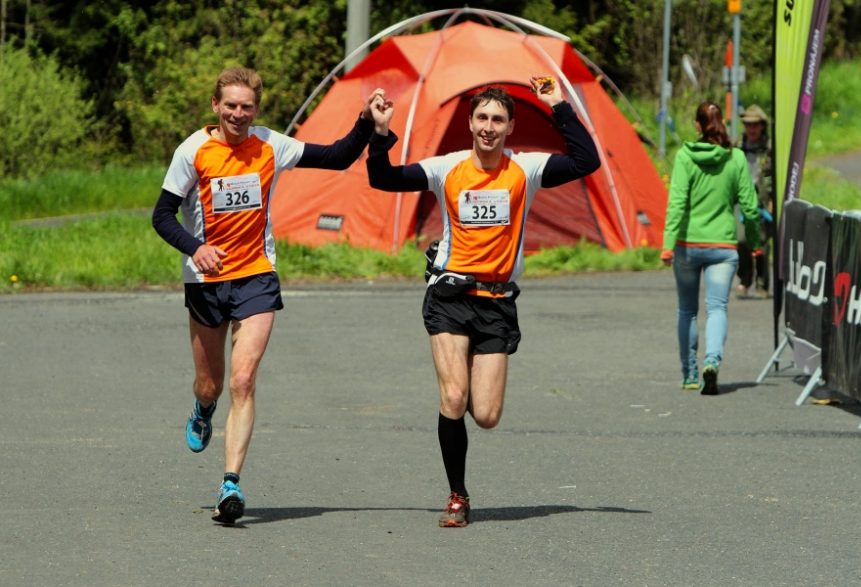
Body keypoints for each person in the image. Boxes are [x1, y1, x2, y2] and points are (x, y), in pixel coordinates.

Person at [152, 66, 385, 524]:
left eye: (247, 107)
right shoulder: (192, 151)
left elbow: (338, 157)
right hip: (206, 281)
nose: (239, 114)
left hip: (257, 275)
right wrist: (195, 248)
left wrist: (364, 120)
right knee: (212, 384)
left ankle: (230, 484)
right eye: (231, 106)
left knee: (243, 381)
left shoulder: (270, 144)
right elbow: (162, 216)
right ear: (216, 106)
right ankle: (203, 408)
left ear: (256, 110)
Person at [365, 78, 601, 527]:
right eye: (481, 118)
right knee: (453, 396)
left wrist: (557, 105)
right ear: (470, 124)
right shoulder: (447, 168)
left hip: (496, 303)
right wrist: (378, 133)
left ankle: (464, 394)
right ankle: (457, 495)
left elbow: (586, 161)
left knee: (487, 415)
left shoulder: (525, 169)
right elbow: (382, 178)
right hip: (450, 296)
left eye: (497, 119)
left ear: (510, 126)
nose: (488, 127)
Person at [661, 101, 762, 395]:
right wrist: (754, 244)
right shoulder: (737, 158)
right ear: (723, 124)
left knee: (687, 311)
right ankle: (712, 362)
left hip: (687, 245)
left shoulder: (684, 157)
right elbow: (750, 208)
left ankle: (690, 374)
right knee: (717, 308)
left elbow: (677, 203)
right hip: (722, 246)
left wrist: (668, 246)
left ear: (697, 125)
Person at [734, 104, 774, 299]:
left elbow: (774, 176)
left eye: (755, 125)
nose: (751, 129)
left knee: (762, 243)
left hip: (762, 201)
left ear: (762, 126)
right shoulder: (737, 145)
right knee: (741, 240)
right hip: (740, 200)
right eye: (748, 125)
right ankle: (745, 278)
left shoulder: (769, 148)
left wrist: (772, 201)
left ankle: (762, 283)